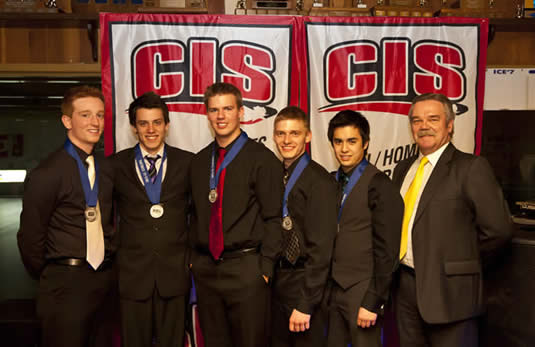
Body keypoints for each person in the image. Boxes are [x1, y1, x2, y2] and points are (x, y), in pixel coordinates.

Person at [392, 93, 513, 347]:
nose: (424, 126)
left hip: (451, 296)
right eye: (416, 120)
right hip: (405, 290)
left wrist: (461, 263)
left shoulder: (471, 168)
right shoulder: (404, 169)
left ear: (449, 125)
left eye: (433, 119)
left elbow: (499, 230)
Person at [17, 86, 116, 347]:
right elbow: (30, 238)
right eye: (85, 115)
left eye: (99, 115)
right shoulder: (46, 173)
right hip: (65, 284)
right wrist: (55, 274)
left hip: (104, 281)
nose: (95, 122)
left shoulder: (107, 169)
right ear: (67, 121)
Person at [188, 82, 283, 347]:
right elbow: (194, 215)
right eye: (214, 110)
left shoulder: (263, 160)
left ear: (241, 112)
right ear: (206, 114)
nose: (221, 116)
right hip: (207, 271)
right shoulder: (198, 162)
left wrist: (264, 270)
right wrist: (195, 261)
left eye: (228, 108)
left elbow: (275, 218)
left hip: (247, 270)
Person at [106, 91, 193, 347]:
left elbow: (198, 214)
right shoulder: (115, 165)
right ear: (134, 128)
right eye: (143, 123)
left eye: (157, 122)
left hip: (174, 275)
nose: (151, 129)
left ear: (167, 125)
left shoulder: (188, 163)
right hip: (133, 276)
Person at [326, 110, 403, 347]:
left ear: (365, 143)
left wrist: (373, 301)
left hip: (363, 289)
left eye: (352, 141)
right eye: (338, 142)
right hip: (333, 289)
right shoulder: (330, 181)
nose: (344, 149)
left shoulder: (380, 185)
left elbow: (388, 251)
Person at [271, 106, 338, 347]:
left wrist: (306, 303)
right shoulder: (274, 175)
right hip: (277, 284)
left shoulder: (320, 182)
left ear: (308, 136)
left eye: (294, 133)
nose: (286, 140)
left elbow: (321, 251)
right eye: (280, 134)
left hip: (304, 286)